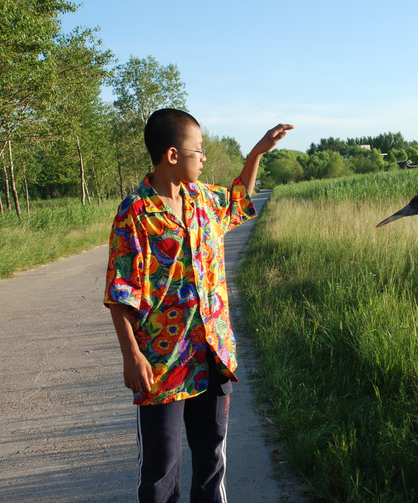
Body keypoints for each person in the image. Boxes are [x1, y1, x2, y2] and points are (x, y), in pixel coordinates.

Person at [104, 108, 293, 503]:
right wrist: (131, 355)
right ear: (173, 155)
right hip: (162, 363)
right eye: (198, 150)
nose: (203, 157)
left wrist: (258, 151)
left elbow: (239, 197)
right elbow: (120, 293)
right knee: (161, 469)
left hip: (212, 352)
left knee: (211, 460)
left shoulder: (204, 200)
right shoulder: (134, 213)